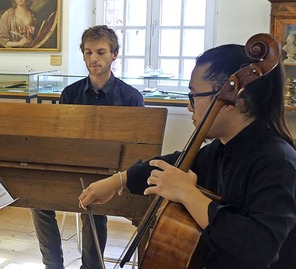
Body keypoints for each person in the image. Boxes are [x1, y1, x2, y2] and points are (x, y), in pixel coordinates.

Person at [78, 43, 296, 268]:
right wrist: (118, 181)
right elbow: (173, 164)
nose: (190, 107)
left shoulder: (277, 161)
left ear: (234, 99)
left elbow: (259, 247)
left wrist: (188, 194)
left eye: (194, 95)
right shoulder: (221, 149)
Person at [31, 25, 144, 269]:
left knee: (93, 204)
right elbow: (60, 137)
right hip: (74, 168)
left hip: (110, 173)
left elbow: (138, 147)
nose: (94, 59)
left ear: (114, 55)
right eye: (88, 52)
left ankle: (91, 267)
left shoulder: (130, 97)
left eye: (101, 52)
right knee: (38, 200)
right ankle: (53, 265)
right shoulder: (70, 93)